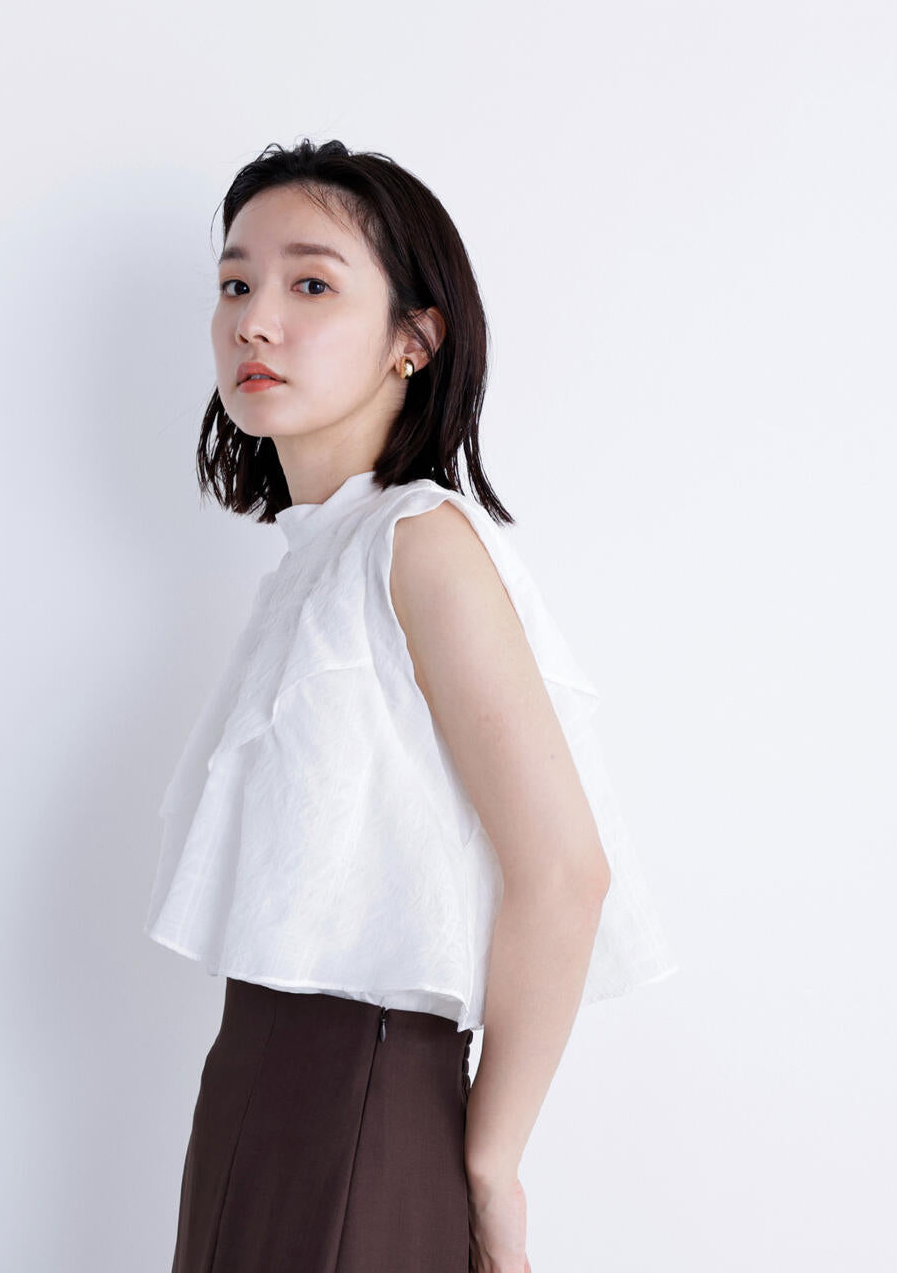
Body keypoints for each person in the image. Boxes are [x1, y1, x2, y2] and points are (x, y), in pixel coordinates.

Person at [145, 138, 678, 1273]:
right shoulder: (317, 558)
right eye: (235, 284)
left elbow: (564, 871)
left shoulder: (418, 543)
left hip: (365, 1106)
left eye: (310, 284)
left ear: (413, 339)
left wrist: (490, 1168)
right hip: (254, 1102)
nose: (253, 322)